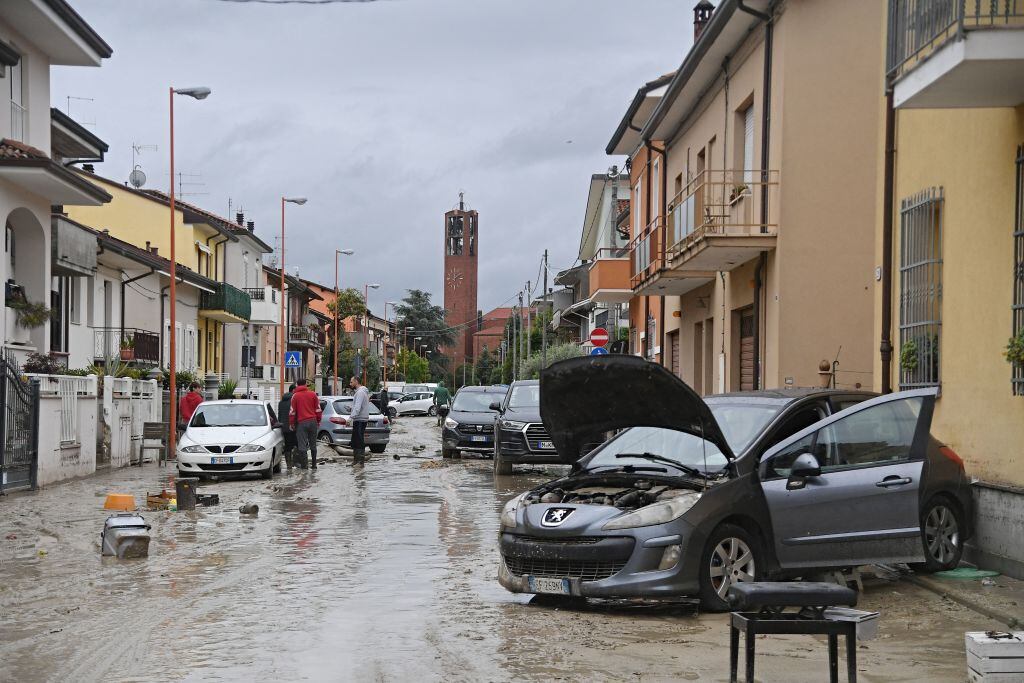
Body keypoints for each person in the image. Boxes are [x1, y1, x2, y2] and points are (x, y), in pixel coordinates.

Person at [289, 378, 322, 469]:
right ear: (306, 384)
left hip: (301, 423)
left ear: (297, 385)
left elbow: (292, 412)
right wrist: (318, 421)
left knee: (302, 444)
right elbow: (318, 409)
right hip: (313, 421)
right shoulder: (313, 394)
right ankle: (314, 465)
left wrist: (292, 423)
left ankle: (305, 466)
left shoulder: (295, 396)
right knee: (313, 444)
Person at [349, 375, 370, 461]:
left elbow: (358, 408)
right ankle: (357, 461)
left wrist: (350, 418)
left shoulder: (360, 392)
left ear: (356, 382)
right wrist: (351, 409)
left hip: (360, 419)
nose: (350, 384)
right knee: (356, 440)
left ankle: (359, 461)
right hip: (360, 418)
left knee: (358, 440)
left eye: (351, 382)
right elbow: (359, 407)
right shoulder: (361, 392)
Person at [278, 383, 297, 469]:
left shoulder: (281, 402)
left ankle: (288, 465)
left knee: (287, 445)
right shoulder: (293, 401)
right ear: (293, 390)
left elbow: (279, 415)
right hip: (292, 426)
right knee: (296, 444)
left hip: (284, 427)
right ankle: (294, 463)